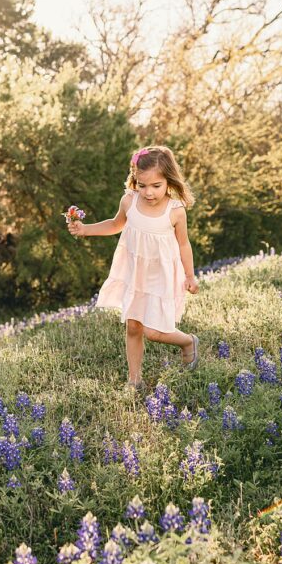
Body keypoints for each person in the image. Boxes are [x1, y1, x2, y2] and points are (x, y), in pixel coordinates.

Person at [66, 145, 200, 390]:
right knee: (133, 325)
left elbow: (184, 244)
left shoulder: (175, 210)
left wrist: (190, 275)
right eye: (142, 185)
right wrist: (85, 230)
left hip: (160, 275)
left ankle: (188, 341)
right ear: (135, 180)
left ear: (169, 180)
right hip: (135, 272)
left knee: (154, 331)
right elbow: (115, 224)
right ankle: (134, 380)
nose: (148, 192)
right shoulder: (129, 200)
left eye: (156, 186)